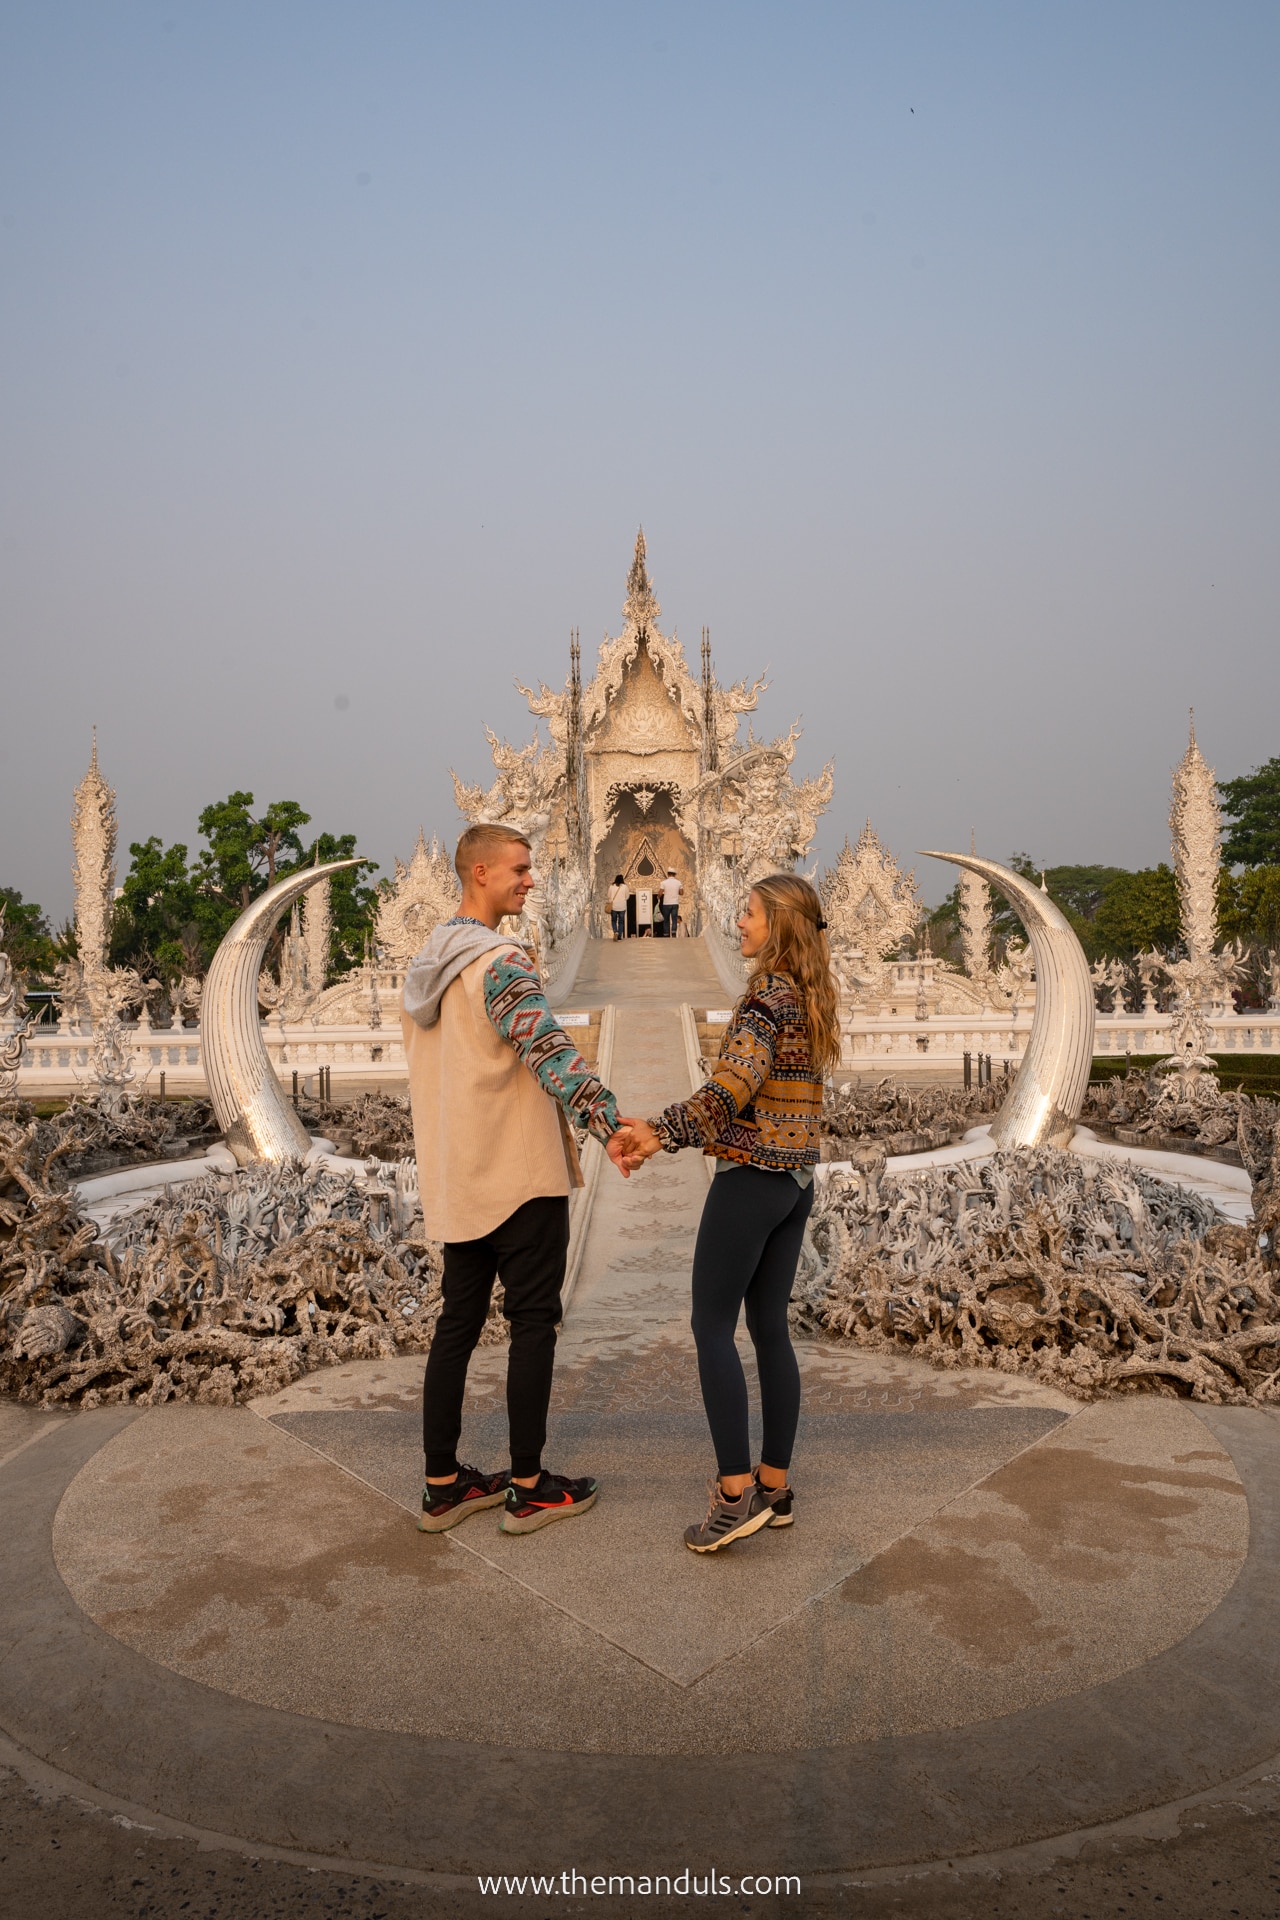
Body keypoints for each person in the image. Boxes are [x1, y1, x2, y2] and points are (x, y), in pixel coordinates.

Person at [402, 825, 641, 1536]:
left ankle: (442, 1485)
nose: (531, 881)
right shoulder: (499, 963)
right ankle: (529, 1484)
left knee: (457, 1325)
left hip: (457, 1174)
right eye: (519, 869)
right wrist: (610, 1125)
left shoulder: (428, 965)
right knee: (533, 1324)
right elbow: (549, 1051)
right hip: (519, 1174)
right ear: (479, 872)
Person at [622, 874, 840, 1553]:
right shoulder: (808, 995)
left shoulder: (765, 999)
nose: (737, 923)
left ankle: (732, 1495)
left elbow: (731, 1088)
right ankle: (774, 1485)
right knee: (769, 1329)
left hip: (751, 1175)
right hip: (795, 1180)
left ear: (776, 925)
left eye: (748, 914)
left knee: (711, 1326)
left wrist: (660, 1130)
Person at [661, 868, 683, 938]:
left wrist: (658, 897)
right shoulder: (678, 882)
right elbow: (681, 893)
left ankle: (666, 933)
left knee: (666, 919)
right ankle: (673, 931)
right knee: (674, 918)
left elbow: (660, 892)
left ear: (668, 874)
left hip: (666, 903)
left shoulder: (663, 882)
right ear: (675, 874)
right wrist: (676, 892)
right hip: (675, 903)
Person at [609, 873, 628, 941]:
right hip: (622, 907)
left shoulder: (612, 886)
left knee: (614, 920)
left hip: (614, 906)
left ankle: (615, 931)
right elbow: (627, 896)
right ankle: (620, 935)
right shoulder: (625, 887)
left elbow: (609, 895)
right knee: (621, 922)